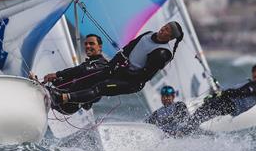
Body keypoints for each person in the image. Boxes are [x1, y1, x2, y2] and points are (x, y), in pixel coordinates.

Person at [48, 21, 184, 109]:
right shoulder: (148, 34)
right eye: (164, 27)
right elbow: (127, 48)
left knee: (100, 87)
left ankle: (64, 98)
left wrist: (125, 71)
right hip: (121, 69)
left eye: (167, 31)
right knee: (92, 76)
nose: (163, 30)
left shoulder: (162, 53)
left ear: (170, 37)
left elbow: (144, 76)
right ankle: (71, 96)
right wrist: (112, 65)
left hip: (132, 82)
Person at [182, 63, 256, 133]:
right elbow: (235, 91)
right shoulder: (252, 83)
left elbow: (242, 92)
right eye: (254, 71)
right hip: (229, 104)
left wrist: (224, 93)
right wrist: (221, 93)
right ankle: (188, 128)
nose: (255, 74)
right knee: (203, 111)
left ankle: (186, 129)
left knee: (203, 112)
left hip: (230, 104)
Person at [41, 34, 108, 114]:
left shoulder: (102, 65)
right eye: (86, 44)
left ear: (100, 47)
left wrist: (57, 74)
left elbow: (81, 70)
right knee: (42, 90)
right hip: (64, 98)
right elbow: (71, 80)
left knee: (43, 92)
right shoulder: (89, 63)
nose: (87, 46)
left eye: (91, 43)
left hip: (70, 103)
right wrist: (55, 80)